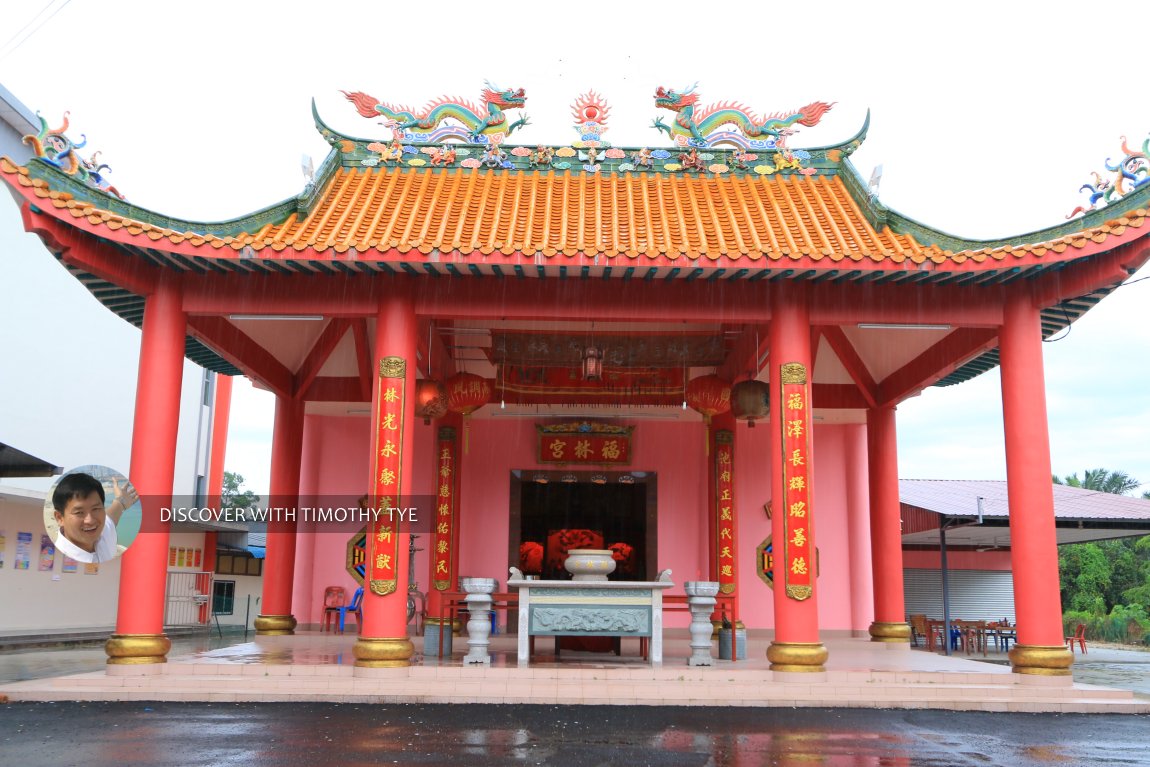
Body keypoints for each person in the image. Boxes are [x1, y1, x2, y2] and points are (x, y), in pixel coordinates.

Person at [50, 472, 136, 564]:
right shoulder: (59, 559)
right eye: (79, 512)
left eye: (95, 509)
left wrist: (121, 501)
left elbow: (111, 516)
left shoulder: (103, 533)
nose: (90, 520)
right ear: (60, 518)